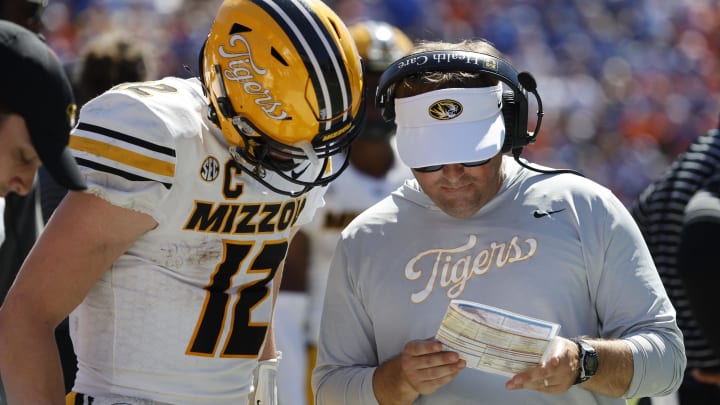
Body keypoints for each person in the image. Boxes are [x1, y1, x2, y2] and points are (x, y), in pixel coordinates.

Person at [0, 0, 365, 404]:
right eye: (284, 142)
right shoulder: (162, 134)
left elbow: (261, 260)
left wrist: (265, 376)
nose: (302, 157)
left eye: (313, 141)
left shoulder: (305, 146)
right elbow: (27, 315)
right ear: (234, 92)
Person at [312, 39, 685, 405]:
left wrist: (581, 361)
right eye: (430, 159)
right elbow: (329, 389)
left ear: (511, 126)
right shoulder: (364, 239)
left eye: (471, 154)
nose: (452, 174)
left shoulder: (585, 208)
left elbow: (667, 361)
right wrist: (398, 380)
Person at [274, 20, 413, 405]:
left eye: (385, 89)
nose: (374, 101)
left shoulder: (423, 168)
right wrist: (288, 379)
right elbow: (289, 287)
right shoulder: (310, 169)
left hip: (408, 356)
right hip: (327, 352)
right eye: (364, 86)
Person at [632, 123, 720, 404]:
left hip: (673, 375)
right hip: (703, 378)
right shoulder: (706, 165)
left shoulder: (690, 163)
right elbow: (698, 252)